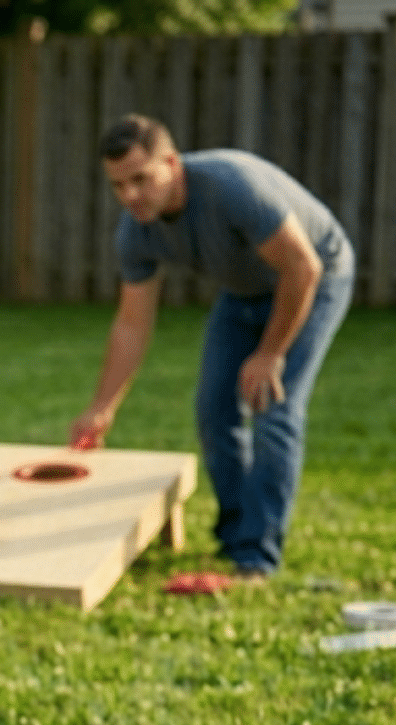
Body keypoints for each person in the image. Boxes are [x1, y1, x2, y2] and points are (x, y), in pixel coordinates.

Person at [71, 114, 352, 580]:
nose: (131, 197)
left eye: (141, 180)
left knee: (273, 407)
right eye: (118, 186)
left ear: (172, 163)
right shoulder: (135, 231)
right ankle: (236, 533)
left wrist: (269, 354)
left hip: (314, 276)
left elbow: (302, 268)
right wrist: (102, 407)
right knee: (213, 408)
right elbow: (132, 324)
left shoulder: (233, 187)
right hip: (244, 292)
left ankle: (256, 558)